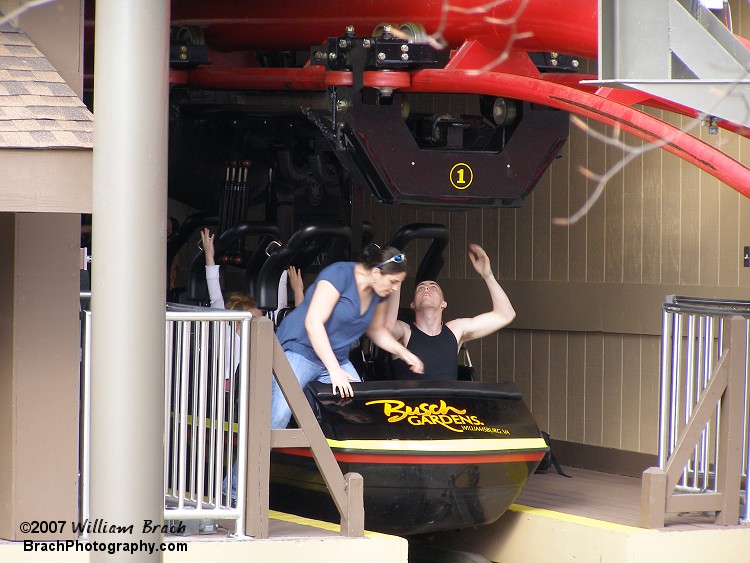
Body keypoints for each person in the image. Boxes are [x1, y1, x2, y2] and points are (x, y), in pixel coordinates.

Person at [271, 246, 425, 429]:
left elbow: (376, 330)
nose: (394, 288)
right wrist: (334, 370)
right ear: (376, 273)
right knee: (279, 417)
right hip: (301, 351)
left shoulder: (380, 293)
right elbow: (313, 323)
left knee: (361, 411)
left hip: (337, 358)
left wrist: (404, 352)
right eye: (393, 282)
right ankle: (248, 458)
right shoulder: (339, 274)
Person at [389, 243, 516, 380]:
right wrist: (396, 279)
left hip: (447, 401)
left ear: (444, 304)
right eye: (421, 288)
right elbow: (385, 330)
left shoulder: (455, 330)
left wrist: (488, 275)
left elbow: (505, 315)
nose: (426, 289)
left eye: (433, 287)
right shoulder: (404, 331)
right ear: (413, 304)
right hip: (410, 402)